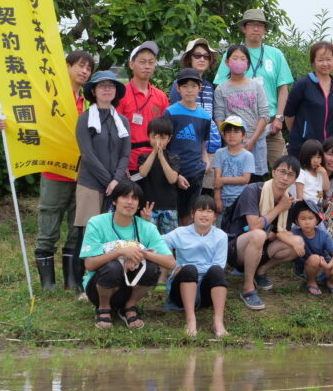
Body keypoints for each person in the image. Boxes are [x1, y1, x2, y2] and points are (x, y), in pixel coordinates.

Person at [0, 49, 94, 292]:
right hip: (54, 170)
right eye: (79, 65)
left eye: (88, 68)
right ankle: (47, 283)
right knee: (49, 222)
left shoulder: (88, 102)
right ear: (67, 67)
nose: (84, 71)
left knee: (76, 226)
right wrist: (5, 124)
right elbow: (27, 120)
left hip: (81, 173)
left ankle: (71, 280)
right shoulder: (50, 98)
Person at [80, 180, 175, 329]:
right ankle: (103, 308)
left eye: (135, 198)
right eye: (125, 197)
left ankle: (129, 307)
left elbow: (170, 262)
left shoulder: (147, 227)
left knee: (151, 267)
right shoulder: (97, 223)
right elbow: (89, 264)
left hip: (129, 288)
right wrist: (120, 252)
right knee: (113, 267)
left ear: (139, 205)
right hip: (98, 289)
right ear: (115, 201)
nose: (130, 202)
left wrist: (139, 253)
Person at [73, 70, 132, 296]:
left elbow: (126, 153)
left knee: (113, 233)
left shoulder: (122, 120)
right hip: (90, 183)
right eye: (102, 86)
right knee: (87, 231)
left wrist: (117, 179)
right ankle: (81, 281)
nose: (107, 89)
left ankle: (109, 278)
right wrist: (109, 181)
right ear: (94, 92)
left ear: (116, 91)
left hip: (116, 185)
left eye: (111, 86)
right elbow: (87, 154)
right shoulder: (85, 118)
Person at [213, 8, 295, 170]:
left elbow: (283, 88)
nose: (256, 29)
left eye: (260, 25)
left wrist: (279, 117)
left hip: (270, 124)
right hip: (238, 130)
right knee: (238, 173)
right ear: (244, 28)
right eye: (251, 25)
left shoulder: (275, 54)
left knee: (282, 168)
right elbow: (221, 89)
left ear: (265, 29)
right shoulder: (232, 55)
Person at [225, 155, 303, 311]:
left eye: (291, 175)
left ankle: (260, 271)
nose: (285, 178)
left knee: (298, 242)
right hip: (235, 248)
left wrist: (291, 240)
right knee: (259, 234)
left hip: (262, 248)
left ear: (294, 180)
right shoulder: (253, 190)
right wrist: (279, 208)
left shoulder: (288, 200)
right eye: (282, 172)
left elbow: (281, 232)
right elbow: (254, 226)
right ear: (273, 172)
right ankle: (248, 289)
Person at [162, 195, 229, 337]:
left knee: (216, 270)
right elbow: (158, 243)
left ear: (215, 216)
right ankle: (191, 320)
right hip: (181, 289)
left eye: (209, 211)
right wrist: (173, 267)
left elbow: (218, 266)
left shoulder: (221, 236)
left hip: (206, 291)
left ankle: (218, 322)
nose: (204, 214)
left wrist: (185, 266)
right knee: (189, 270)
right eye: (200, 210)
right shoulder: (180, 233)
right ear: (192, 214)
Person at [213, 44, 270, 179]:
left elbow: (264, 114)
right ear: (227, 62)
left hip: (256, 144)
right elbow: (219, 117)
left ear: (248, 63)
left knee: (254, 184)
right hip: (232, 146)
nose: (239, 61)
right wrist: (230, 141)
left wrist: (252, 140)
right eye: (235, 58)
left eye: (243, 58)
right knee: (233, 183)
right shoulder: (221, 89)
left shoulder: (256, 86)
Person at [166, 68, 213, 226]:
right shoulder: (170, 112)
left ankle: (186, 251)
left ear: (199, 88)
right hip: (173, 173)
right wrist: (175, 174)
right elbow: (163, 148)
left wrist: (206, 164)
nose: (189, 90)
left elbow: (203, 146)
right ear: (178, 89)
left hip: (195, 173)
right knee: (171, 217)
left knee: (190, 216)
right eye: (185, 86)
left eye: (193, 85)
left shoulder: (205, 117)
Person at [168, 37, 223, 174]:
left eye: (206, 56)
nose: (202, 59)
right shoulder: (178, 86)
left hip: (212, 147)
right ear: (189, 59)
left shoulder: (209, 86)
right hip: (190, 151)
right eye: (197, 55)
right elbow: (178, 121)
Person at [116, 40, 170, 174]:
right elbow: (115, 132)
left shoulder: (161, 96)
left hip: (155, 161)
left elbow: (166, 131)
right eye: (142, 62)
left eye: (151, 62)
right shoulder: (120, 94)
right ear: (131, 64)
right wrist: (120, 166)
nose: (147, 66)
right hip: (129, 163)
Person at [285, 41, 333, 158]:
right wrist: (300, 133)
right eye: (320, 60)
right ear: (313, 62)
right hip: (303, 146)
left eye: (328, 59)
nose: (325, 64)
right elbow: (289, 114)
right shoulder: (303, 84)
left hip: (327, 148)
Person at [136, 115, 188, 235]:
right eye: (154, 137)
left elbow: (172, 179)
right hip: (148, 207)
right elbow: (143, 173)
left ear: (169, 138)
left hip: (169, 208)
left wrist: (161, 157)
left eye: (163, 137)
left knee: (168, 242)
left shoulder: (174, 158)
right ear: (149, 136)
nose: (158, 141)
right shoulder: (143, 157)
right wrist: (154, 152)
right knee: (148, 239)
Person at [291, 199, 333, 296]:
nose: (307, 222)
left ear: (317, 220)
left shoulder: (323, 235)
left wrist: (328, 266)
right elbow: (282, 236)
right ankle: (311, 282)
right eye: (303, 219)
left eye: (311, 218)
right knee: (314, 258)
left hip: (325, 267)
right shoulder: (294, 233)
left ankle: (330, 282)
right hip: (307, 269)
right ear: (296, 221)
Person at [212, 116, 254, 221]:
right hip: (223, 199)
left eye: (236, 132)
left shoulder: (247, 155)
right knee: (222, 228)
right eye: (228, 132)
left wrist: (223, 180)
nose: (231, 135)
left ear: (244, 135)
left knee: (238, 230)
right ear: (224, 135)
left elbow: (245, 179)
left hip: (241, 200)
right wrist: (217, 199)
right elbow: (217, 179)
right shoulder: (219, 153)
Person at [295, 138, 331, 203]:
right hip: (306, 206)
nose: (316, 160)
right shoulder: (302, 172)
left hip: (319, 206)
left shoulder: (320, 172)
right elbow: (300, 197)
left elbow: (326, 188)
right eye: (312, 157)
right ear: (305, 156)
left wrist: (324, 173)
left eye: (319, 157)